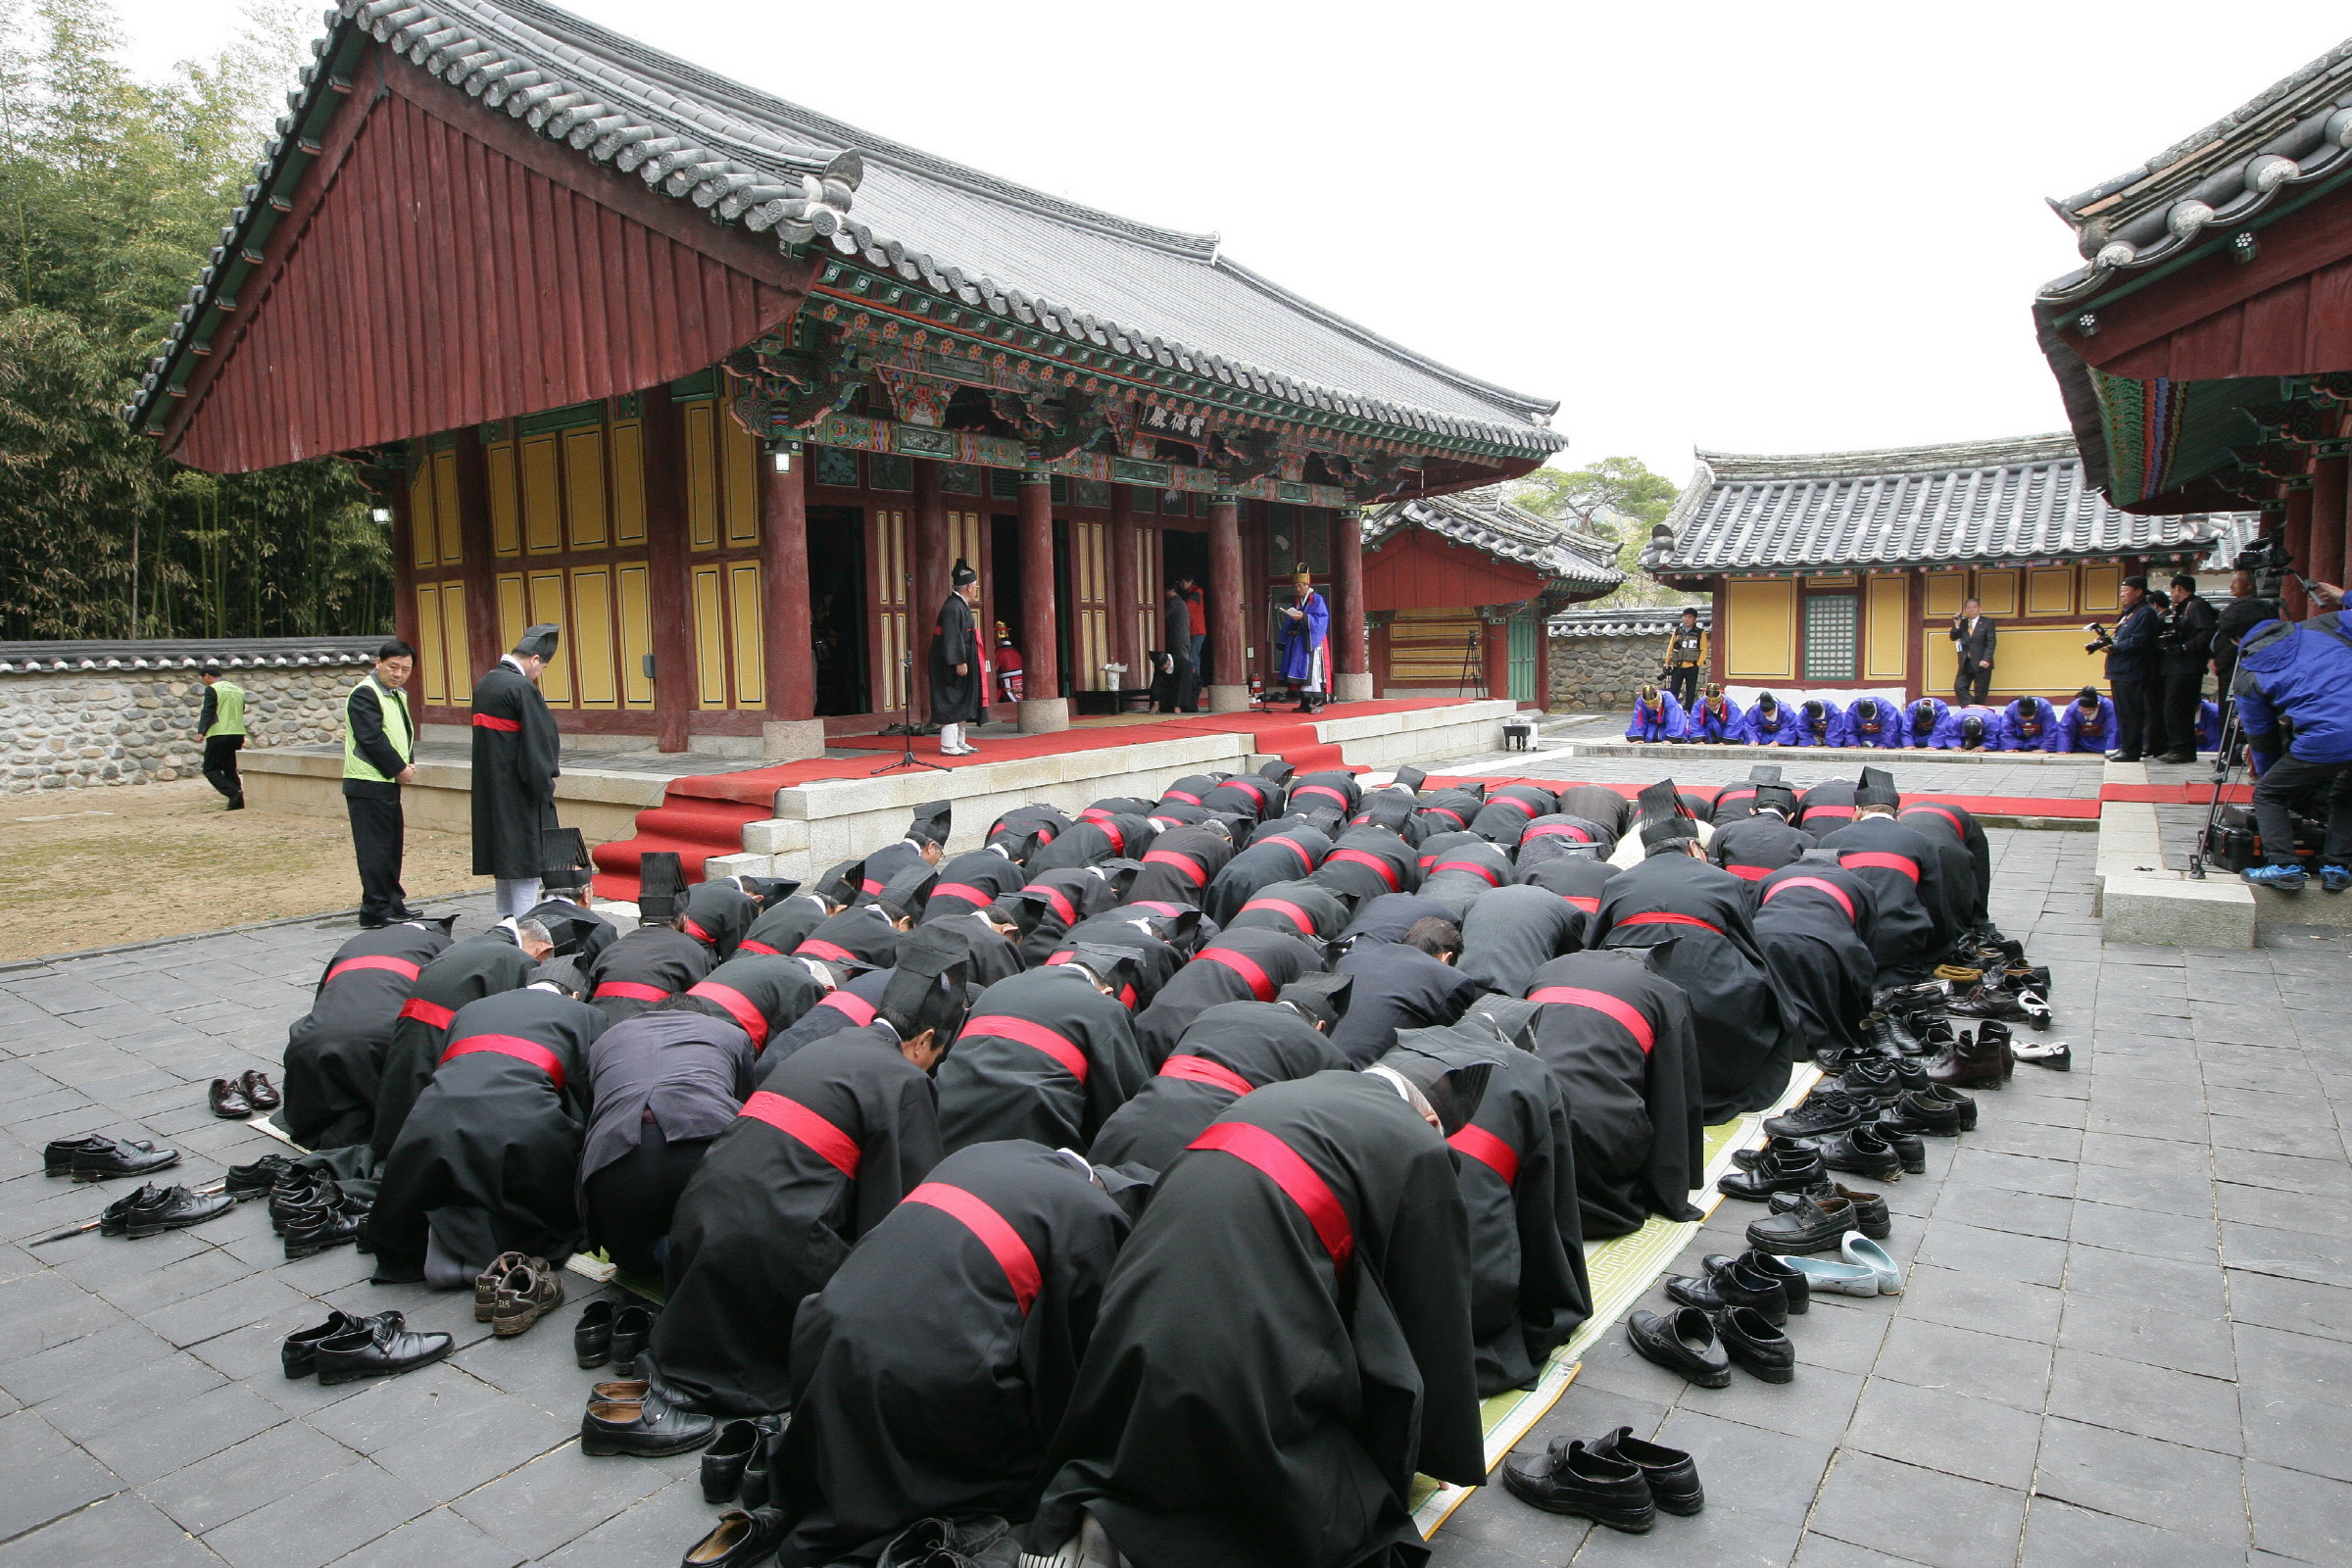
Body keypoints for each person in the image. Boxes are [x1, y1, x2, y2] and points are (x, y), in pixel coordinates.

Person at [1023, 1044, 1494, 1568]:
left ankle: (1111, 1515)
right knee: (1331, 1497)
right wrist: (1438, 1441)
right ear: (1431, 1119)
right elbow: (1431, 1308)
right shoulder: (1415, 1144)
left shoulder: (1280, 1094)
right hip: (1239, 1380)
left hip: (1127, 1345)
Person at [772, 1141, 1138, 1568]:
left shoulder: (985, 1153)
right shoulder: (1094, 1216)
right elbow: (1067, 1365)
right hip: (921, 1386)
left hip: (823, 1343)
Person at [650, 932, 966, 1415]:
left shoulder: (825, 1043)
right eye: (936, 1055)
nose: (932, 1067)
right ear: (926, 1040)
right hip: (768, 1249)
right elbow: (897, 1210)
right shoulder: (902, 1080)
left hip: (698, 1218)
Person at [366, 961, 605, 1287]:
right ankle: (487, 1247)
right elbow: (582, 1090)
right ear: (575, 995)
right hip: (522, 1122)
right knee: (559, 1167)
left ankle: (447, 1234)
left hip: (434, 1116)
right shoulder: (586, 1016)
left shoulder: (472, 1008)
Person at [1592, 792, 1793, 1120]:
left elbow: (1596, 943)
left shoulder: (1619, 881)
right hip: (1711, 996)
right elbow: (1747, 943)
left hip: (1632, 991)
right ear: (1694, 848)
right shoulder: (1725, 880)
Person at [1524, 947, 1705, 1238]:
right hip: (1596, 1129)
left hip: (1524, 1112)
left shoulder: (1547, 971)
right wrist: (1671, 1184)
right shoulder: (1663, 992)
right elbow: (1670, 1093)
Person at [576, 994, 757, 1282]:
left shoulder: (606, 1040)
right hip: (704, 1144)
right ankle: (696, 1259)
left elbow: (592, 1114)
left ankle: (663, 1255)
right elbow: (748, 1111)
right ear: (703, 1017)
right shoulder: (729, 1034)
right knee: (726, 1242)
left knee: (629, 1257)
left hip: (615, 1156)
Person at [369, 914, 551, 1160]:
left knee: (403, 1100)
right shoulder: (518, 960)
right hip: (444, 1037)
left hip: (411, 1027)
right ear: (542, 949)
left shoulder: (472, 943)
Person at [936, 948, 1153, 1150]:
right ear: (1106, 992)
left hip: (950, 1105)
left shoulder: (1002, 986)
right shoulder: (1105, 1007)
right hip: (1029, 1124)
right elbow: (1121, 1096)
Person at [280, 917, 454, 1150]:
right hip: (385, 1037)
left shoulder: (358, 941)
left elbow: (324, 996)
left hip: (314, 1040)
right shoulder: (441, 947)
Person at [2231, 583, 2352, 892]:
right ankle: (2337, 867)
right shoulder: (2327, 625)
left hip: (2326, 739)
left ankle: (2284, 865)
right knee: (2346, 794)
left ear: (2236, 639)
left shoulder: (2247, 674)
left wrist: (2270, 773)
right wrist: (2343, 597)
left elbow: (2262, 737)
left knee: (2270, 795)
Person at [471, 624, 563, 917]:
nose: (540, 674)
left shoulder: (486, 683)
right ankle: (524, 925)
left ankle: (506, 921)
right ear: (535, 659)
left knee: (505, 859)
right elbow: (538, 742)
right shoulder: (521, 688)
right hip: (521, 789)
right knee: (526, 860)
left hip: (492, 787)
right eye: (544, 667)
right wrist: (543, 787)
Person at [344, 639, 419, 927]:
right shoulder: (365, 693)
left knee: (390, 846)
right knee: (374, 848)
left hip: (386, 781)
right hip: (366, 781)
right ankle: (374, 909)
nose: (399, 673)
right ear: (378, 663)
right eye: (393, 666)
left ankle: (392, 901)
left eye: (405, 669)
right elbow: (371, 738)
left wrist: (407, 762)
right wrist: (399, 768)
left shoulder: (395, 694)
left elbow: (402, 733)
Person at [2156, 572, 2217, 763]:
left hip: (2188, 665)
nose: (2171, 594)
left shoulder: (2196, 606)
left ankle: (2181, 749)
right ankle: (2180, 748)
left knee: (2177, 707)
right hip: (2177, 665)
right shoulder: (2183, 608)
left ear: (2179, 589)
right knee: (2174, 707)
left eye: (2172, 590)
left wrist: (2184, 646)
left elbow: (2206, 633)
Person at [2101, 576, 2161, 762]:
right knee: (2122, 711)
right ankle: (2125, 746)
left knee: (2131, 711)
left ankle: (2132, 750)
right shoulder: (2129, 613)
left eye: (2125, 591)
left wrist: (2115, 647)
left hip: (2133, 669)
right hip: (2119, 669)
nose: (2122, 595)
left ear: (2138, 591)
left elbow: (2139, 640)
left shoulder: (2145, 613)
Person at [931, 560, 985, 756]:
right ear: (970, 586)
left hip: (964, 659)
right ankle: (948, 744)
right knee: (952, 700)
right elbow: (952, 636)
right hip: (951, 663)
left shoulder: (960, 604)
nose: (977, 589)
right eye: (976, 585)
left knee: (963, 700)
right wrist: (958, 661)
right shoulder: (953, 607)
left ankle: (960, 741)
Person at [1277, 565, 1332, 712]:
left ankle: (1318, 703)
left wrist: (1304, 617)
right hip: (1298, 642)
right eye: (1295, 586)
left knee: (1313, 672)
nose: (1296, 588)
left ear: (1307, 585)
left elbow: (1322, 619)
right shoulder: (1297, 602)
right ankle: (1305, 703)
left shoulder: (1317, 600)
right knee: (1300, 672)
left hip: (1312, 641)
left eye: (1299, 585)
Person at [196, 662, 247, 809]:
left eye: (203, 678)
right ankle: (238, 801)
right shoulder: (238, 690)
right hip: (237, 732)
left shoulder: (213, 689)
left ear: (207, 676)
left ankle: (233, 792)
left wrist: (201, 731)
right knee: (229, 767)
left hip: (219, 732)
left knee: (210, 768)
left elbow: (208, 711)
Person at [1158, 581, 1198, 713]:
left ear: (1171, 591)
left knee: (1183, 672)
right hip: (1181, 639)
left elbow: (1160, 617)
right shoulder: (1180, 602)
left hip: (1178, 640)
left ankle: (1183, 703)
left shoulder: (1174, 602)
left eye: (1165, 591)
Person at [1950, 596, 1996, 705]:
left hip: (1982, 662)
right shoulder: (1963, 623)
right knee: (1959, 686)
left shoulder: (1987, 622)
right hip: (1966, 661)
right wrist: (1956, 625)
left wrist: (1986, 659)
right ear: (1965, 609)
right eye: (1968, 608)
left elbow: (1991, 642)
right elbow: (1953, 637)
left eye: (1974, 607)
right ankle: (1972, 707)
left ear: (1980, 608)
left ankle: (1977, 712)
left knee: (1980, 692)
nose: (1971, 610)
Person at [1661, 608, 1706, 710]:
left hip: (1692, 666)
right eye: (1685, 617)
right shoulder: (1678, 631)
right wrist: (1667, 661)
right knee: (1674, 690)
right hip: (1677, 666)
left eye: (1689, 617)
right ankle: (1672, 709)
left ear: (1695, 619)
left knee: (1691, 690)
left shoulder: (1700, 633)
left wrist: (1698, 664)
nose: (1686, 619)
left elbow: (1704, 649)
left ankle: (1689, 709)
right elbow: (1671, 646)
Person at [2058, 687, 2117, 754]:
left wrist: (2110, 750)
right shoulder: (2074, 706)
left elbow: (2112, 729)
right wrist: (2063, 748)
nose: (2085, 713)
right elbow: (2066, 727)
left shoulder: (2108, 706)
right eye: (2082, 710)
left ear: (2098, 706)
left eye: (2089, 711)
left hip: (2101, 740)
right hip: (2082, 741)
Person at [1182, 574, 1208, 690]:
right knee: (1192, 656)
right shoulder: (1190, 593)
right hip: (1193, 630)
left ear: (1190, 581)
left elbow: (1186, 607)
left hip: (1197, 630)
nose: (1180, 585)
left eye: (1183, 582)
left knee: (1193, 657)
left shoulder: (1196, 592)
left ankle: (1195, 682)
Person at [993, 621, 1024, 704]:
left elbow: (993, 671)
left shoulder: (998, 653)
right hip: (1021, 687)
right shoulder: (1016, 651)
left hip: (1007, 688)